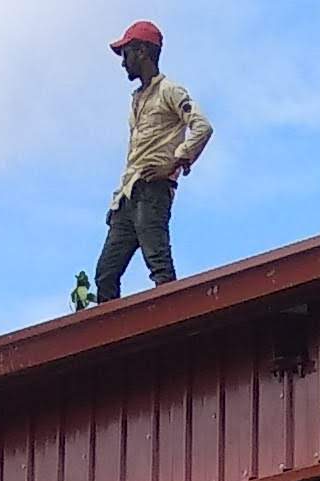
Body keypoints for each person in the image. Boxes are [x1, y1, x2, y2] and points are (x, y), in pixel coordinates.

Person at [94, 21, 212, 304]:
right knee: (105, 274)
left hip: (152, 190)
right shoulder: (137, 99)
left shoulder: (169, 91)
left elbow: (202, 126)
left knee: (158, 264)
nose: (124, 63)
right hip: (129, 193)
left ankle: (171, 324)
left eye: (127, 54)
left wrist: (174, 162)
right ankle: (111, 337)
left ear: (143, 51)